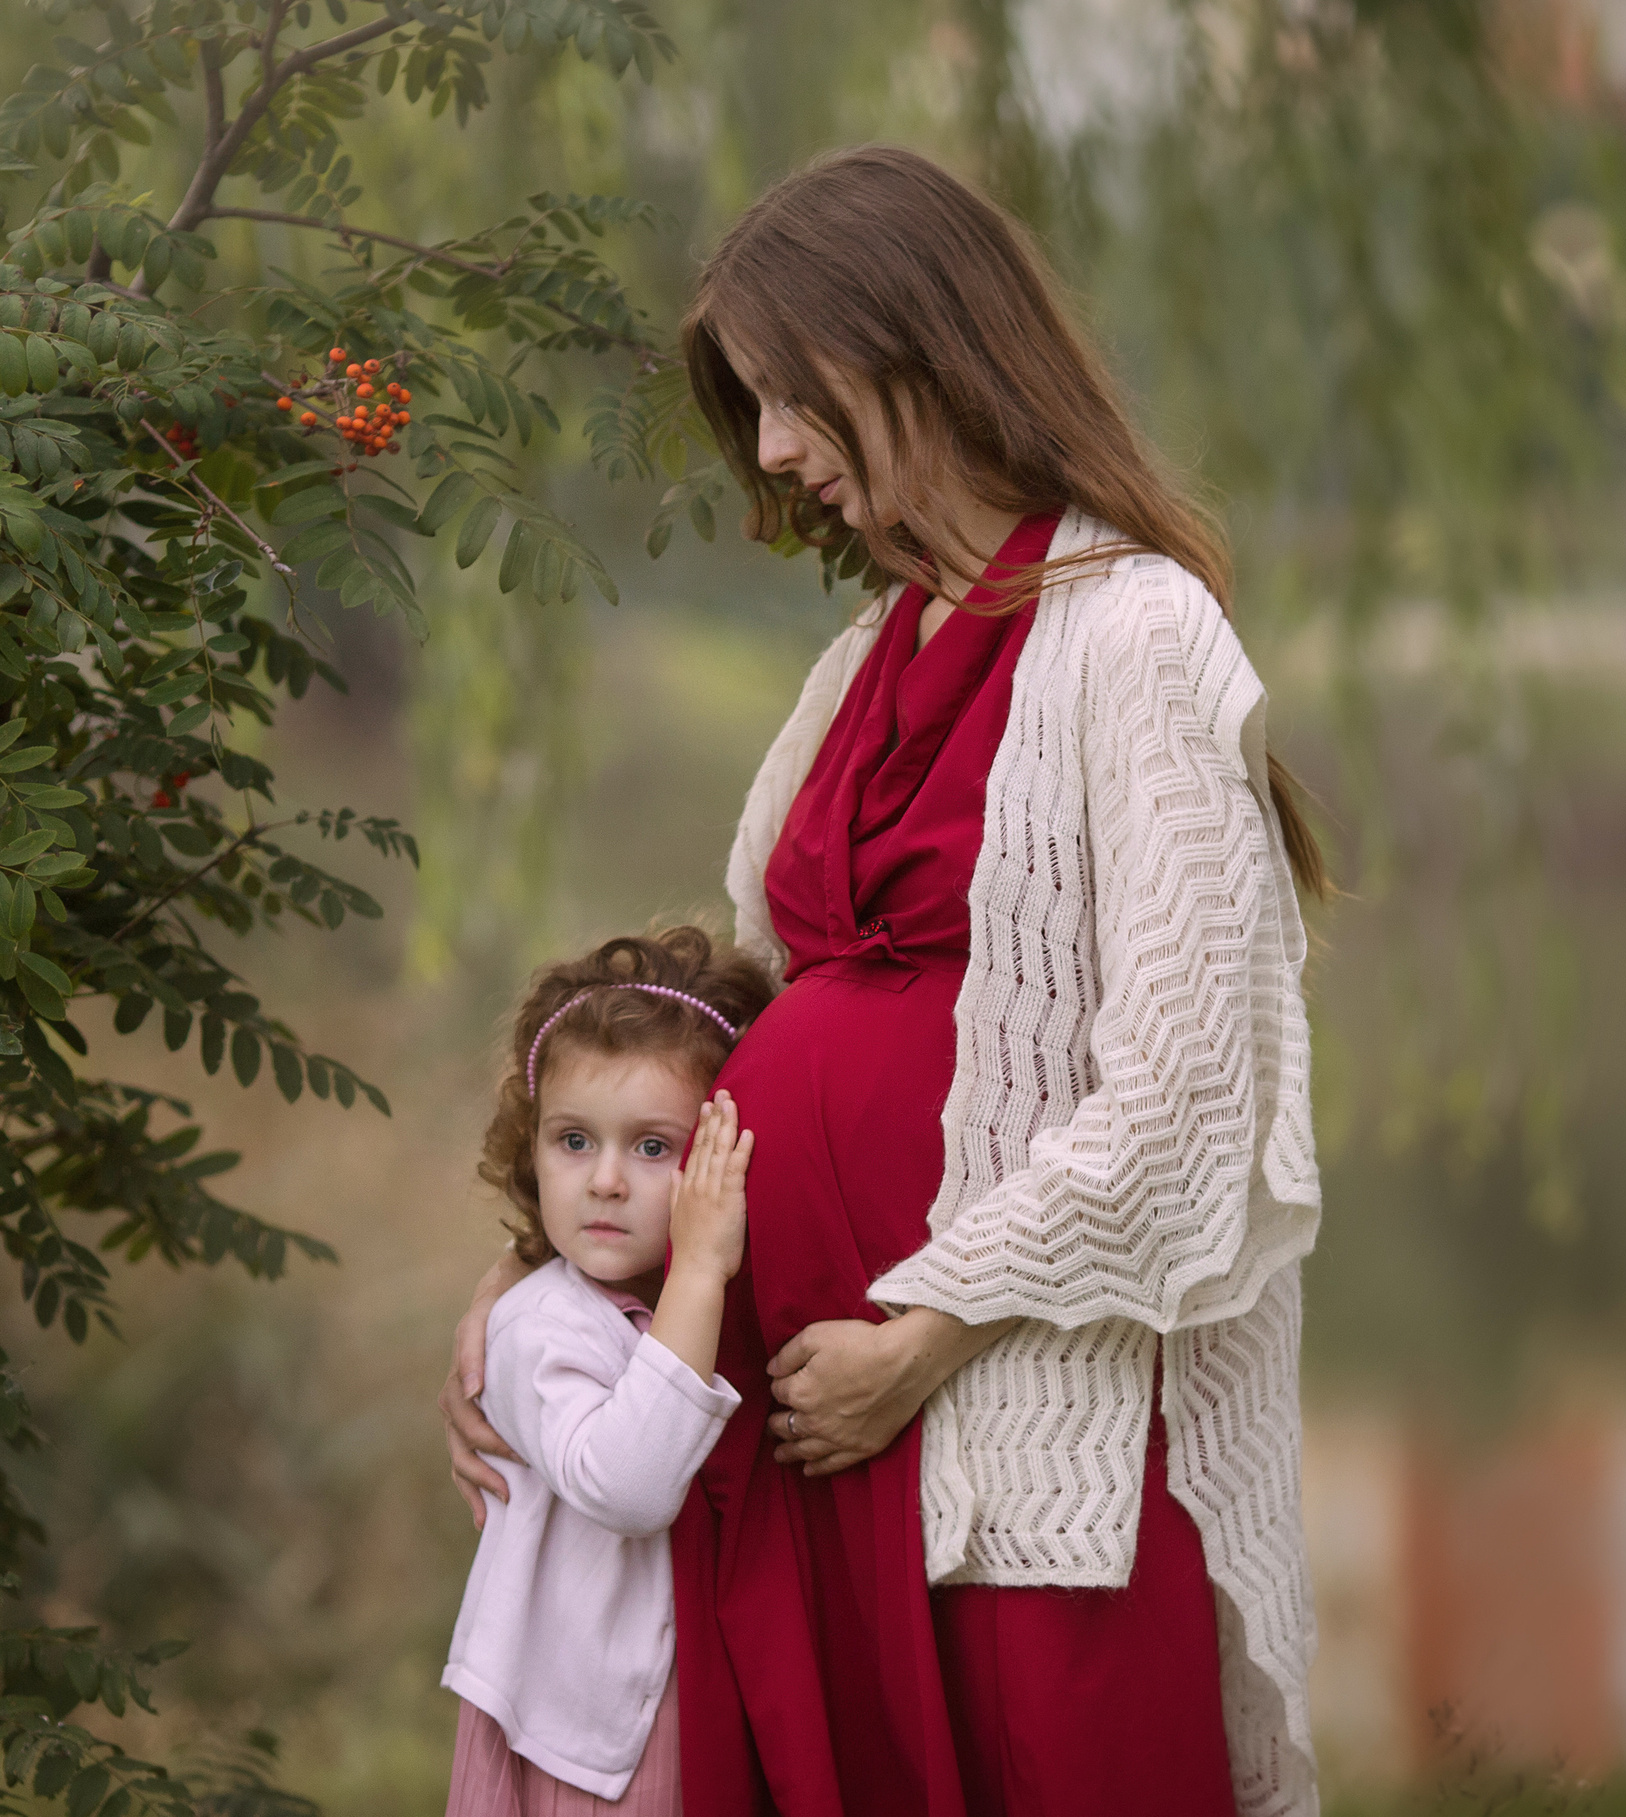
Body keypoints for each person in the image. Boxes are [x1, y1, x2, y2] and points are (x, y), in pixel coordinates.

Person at [439, 146, 1328, 1817]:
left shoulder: (1137, 637)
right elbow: (724, 1037)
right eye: (756, 408)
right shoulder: (865, 655)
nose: (772, 452)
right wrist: (545, 1281)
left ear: (926, 345)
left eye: (795, 397)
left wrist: (927, 1332)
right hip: (804, 1449)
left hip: (1004, 1415)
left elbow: (1189, 1083)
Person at [443, 928, 777, 1817]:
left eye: (653, 1148)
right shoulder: (537, 1324)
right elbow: (626, 1484)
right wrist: (702, 1267)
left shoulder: (687, 1303)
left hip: (660, 1700)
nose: (606, 1181)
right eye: (575, 1140)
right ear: (532, 1147)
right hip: (576, 1740)